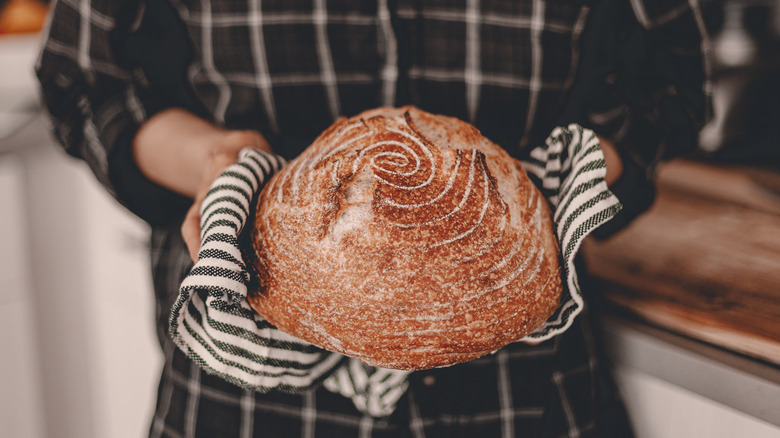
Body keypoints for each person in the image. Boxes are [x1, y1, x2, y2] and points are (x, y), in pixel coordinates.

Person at [36, 0, 711, 436]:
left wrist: (541, 201)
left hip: (526, 405)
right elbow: (86, 81)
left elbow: (669, 88)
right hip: (244, 413)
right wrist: (217, 162)